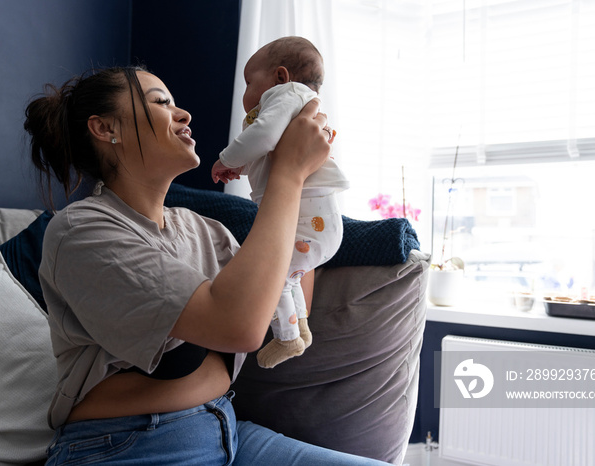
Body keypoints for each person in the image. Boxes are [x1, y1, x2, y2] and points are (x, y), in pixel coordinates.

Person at [24, 65, 389, 465]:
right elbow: (240, 326)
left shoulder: (203, 230)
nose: (184, 114)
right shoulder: (80, 230)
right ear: (105, 128)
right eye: (161, 102)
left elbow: (280, 298)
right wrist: (287, 172)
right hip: (125, 445)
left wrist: (304, 183)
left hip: (226, 428)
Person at [212, 37, 349, 368]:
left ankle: (287, 340)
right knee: (288, 277)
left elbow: (264, 136)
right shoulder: (295, 107)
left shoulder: (287, 95)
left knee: (274, 277)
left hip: (309, 222)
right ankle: (299, 328)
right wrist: (241, 166)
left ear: (280, 77)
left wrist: (225, 159)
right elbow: (270, 152)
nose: (246, 92)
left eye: (248, 81)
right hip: (317, 223)